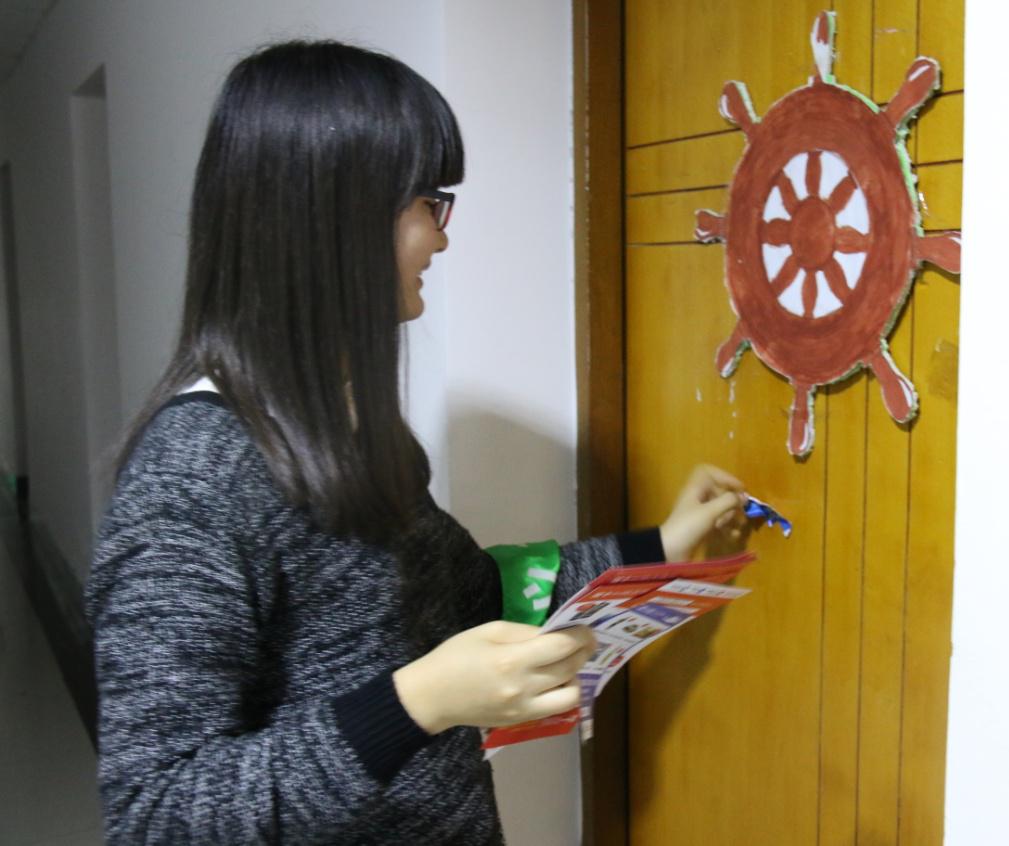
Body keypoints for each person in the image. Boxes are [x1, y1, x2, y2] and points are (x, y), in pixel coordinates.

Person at [82, 39, 747, 845]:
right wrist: (415, 704)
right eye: (428, 203)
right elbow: (156, 813)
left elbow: (472, 597)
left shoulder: (349, 433)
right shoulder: (193, 474)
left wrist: (658, 546)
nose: (441, 237)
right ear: (333, 216)